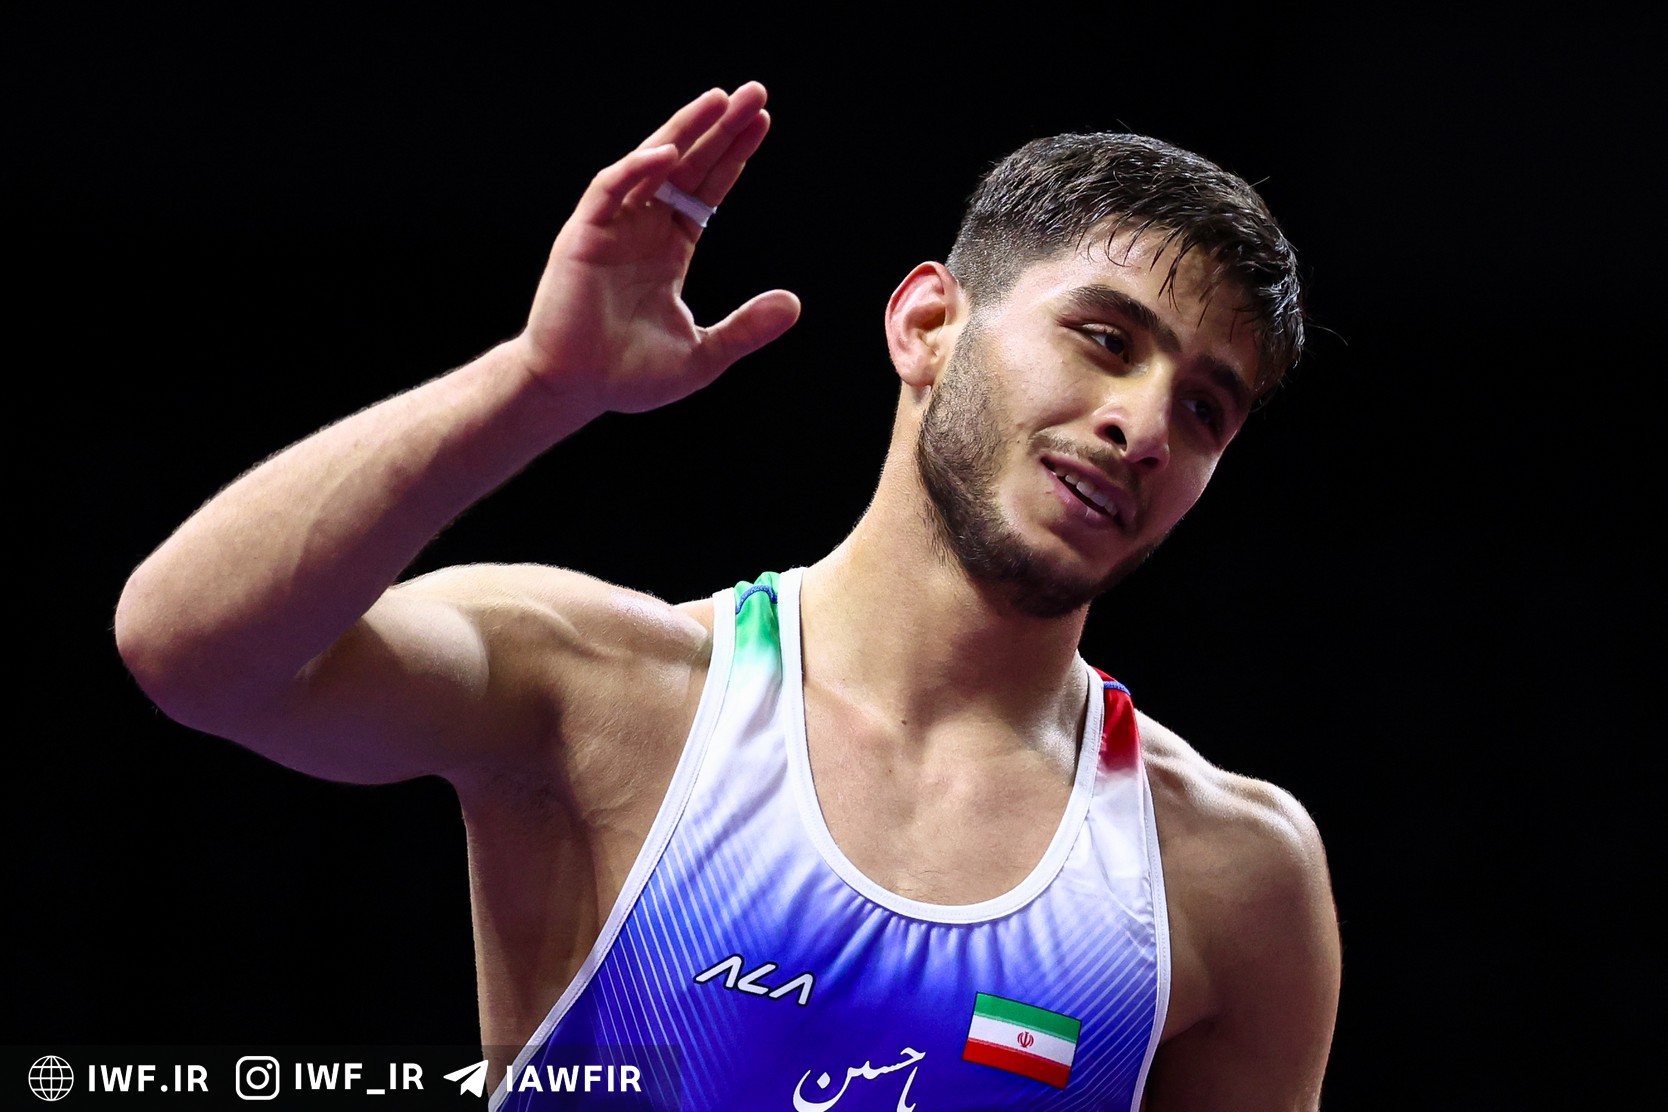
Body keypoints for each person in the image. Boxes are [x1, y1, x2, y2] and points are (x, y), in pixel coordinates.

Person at [115, 80, 1341, 1110]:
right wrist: (538, 383)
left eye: (1205, 409)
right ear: (928, 324)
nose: (1144, 426)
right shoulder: (611, 688)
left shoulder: (1232, 871)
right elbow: (189, 650)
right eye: (1106, 340)